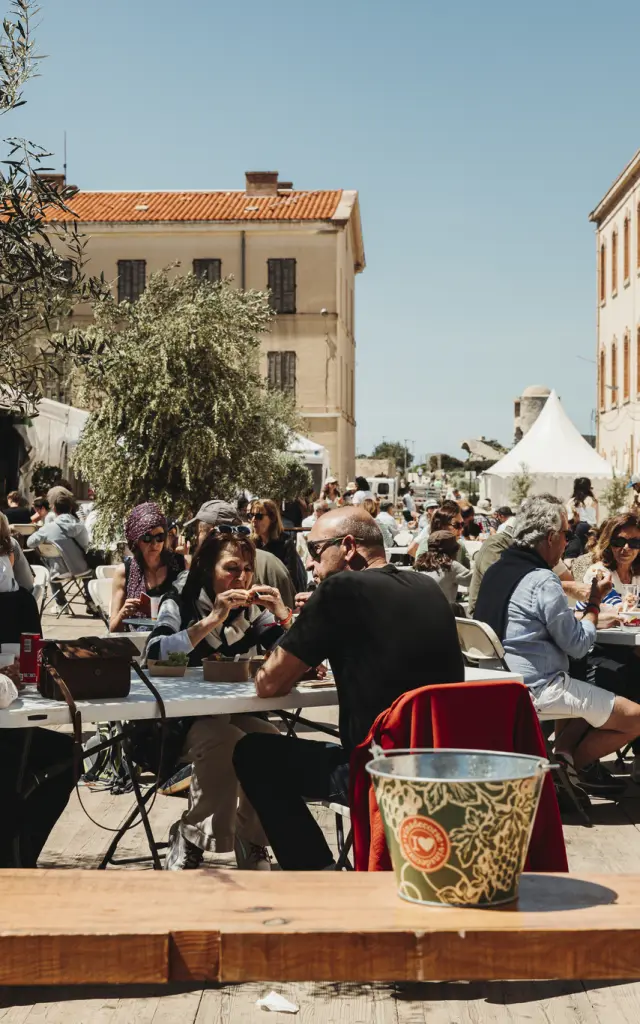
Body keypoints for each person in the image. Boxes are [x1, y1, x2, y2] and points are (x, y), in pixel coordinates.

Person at [232, 507, 465, 870]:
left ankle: (319, 875)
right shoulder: (428, 587)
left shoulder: (341, 590)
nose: (311, 566)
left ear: (349, 547)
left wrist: (301, 621)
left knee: (254, 754)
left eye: (315, 551)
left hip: (376, 773)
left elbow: (269, 683)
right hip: (442, 768)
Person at [473, 495, 640, 797]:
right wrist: (593, 603)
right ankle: (569, 768)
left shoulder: (498, 571)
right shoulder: (541, 580)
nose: (567, 542)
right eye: (566, 534)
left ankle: (566, 764)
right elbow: (578, 646)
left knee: (603, 677)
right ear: (550, 538)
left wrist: (589, 618)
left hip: (496, 682)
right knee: (636, 718)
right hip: (539, 688)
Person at [146, 530, 292, 870]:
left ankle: (252, 838)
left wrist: (284, 615)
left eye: (246, 569)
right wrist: (212, 620)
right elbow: (154, 654)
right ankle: (192, 835)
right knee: (226, 741)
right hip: (179, 722)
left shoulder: (253, 612)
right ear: (208, 569)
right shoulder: (180, 600)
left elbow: (298, 655)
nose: (240, 577)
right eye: (231, 568)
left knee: (269, 743)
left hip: (233, 711)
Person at [579, 515, 640, 780]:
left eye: (634, 541)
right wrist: (622, 611)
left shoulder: (638, 574)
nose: (626, 548)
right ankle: (583, 759)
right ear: (608, 542)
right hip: (599, 654)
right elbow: (597, 613)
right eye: (619, 541)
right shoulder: (599, 573)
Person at [185, 500, 296, 610]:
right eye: (250, 515)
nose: (242, 577)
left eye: (248, 568)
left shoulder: (272, 561)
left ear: (211, 535)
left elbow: (288, 614)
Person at [109, 503, 183, 633]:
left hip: (174, 640)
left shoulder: (180, 565)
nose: (154, 544)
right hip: (139, 641)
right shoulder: (124, 572)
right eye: (147, 538)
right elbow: (113, 629)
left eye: (159, 537)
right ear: (136, 540)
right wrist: (123, 614)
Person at [26, 493, 90, 612]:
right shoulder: (81, 526)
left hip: (59, 572)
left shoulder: (49, 527)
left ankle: (61, 604)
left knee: (51, 571)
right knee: (90, 566)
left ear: (54, 510)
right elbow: (86, 545)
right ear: (71, 508)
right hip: (82, 569)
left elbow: (30, 542)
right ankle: (91, 602)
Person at [248, 498, 302, 590]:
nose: (253, 520)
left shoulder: (285, 542)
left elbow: (290, 577)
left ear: (272, 518)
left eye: (259, 516)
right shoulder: (252, 542)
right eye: (251, 515)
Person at [414, 530, 473, 606]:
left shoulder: (420, 564)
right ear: (453, 550)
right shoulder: (451, 566)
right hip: (443, 613)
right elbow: (474, 581)